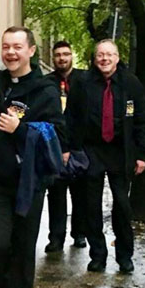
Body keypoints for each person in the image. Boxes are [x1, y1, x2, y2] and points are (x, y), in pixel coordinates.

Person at [0, 26, 67, 288]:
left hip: (29, 183)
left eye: (17, 47)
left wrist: (21, 128)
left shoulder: (45, 90)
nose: (11, 53)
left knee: (23, 246)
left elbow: (57, 134)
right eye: (6, 47)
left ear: (31, 50)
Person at [66, 39, 145, 273]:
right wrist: (68, 149)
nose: (105, 59)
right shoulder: (82, 83)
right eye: (100, 55)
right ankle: (98, 255)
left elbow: (142, 121)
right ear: (95, 59)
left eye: (109, 55)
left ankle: (124, 256)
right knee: (90, 205)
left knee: (122, 205)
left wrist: (142, 155)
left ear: (117, 57)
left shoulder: (130, 83)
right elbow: (70, 118)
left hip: (120, 151)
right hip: (91, 150)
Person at [45, 41, 87, 253]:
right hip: (54, 145)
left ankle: (79, 234)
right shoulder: (47, 83)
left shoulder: (84, 79)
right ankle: (56, 237)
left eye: (66, 54)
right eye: (58, 55)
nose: (62, 58)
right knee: (56, 195)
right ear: (53, 58)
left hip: (79, 146)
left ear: (72, 56)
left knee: (79, 194)